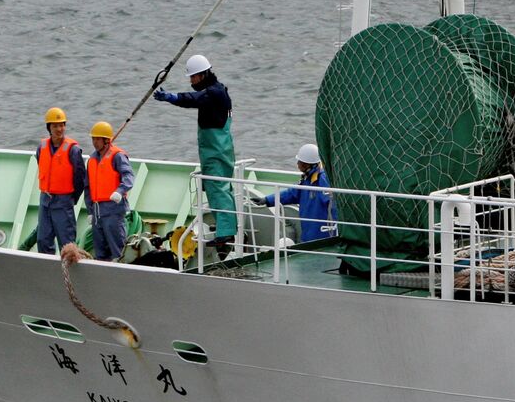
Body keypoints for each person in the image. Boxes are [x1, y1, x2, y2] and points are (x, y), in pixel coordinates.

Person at [153, 54, 237, 255]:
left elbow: (193, 99)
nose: (191, 82)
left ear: (202, 74)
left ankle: (226, 234)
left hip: (216, 152)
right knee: (219, 188)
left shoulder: (214, 93)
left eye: (193, 77)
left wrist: (171, 97)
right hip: (218, 150)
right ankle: (226, 229)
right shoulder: (218, 90)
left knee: (218, 189)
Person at [250, 143, 338, 243]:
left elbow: (333, 205)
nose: (298, 165)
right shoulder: (307, 180)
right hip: (308, 234)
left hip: (322, 235)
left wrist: (334, 230)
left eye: (300, 162)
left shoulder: (323, 180)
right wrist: (266, 200)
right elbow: (291, 194)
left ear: (308, 164)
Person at [34, 107, 86, 255]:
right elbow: (41, 164)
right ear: (49, 127)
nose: (59, 129)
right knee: (43, 240)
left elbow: (80, 178)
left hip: (63, 202)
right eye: (55, 125)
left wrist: (71, 198)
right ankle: (47, 272)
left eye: (62, 125)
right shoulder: (41, 147)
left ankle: (68, 274)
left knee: (67, 244)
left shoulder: (73, 150)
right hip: (45, 200)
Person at [84, 122, 134, 262]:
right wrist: (89, 211)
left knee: (117, 249)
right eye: (93, 139)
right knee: (100, 251)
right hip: (97, 212)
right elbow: (88, 187)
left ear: (106, 140)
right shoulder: (92, 159)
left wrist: (120, 191)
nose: (95, 142)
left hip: (113, 210)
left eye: (98, 139)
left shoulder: (117, 156)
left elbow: (129, 176)